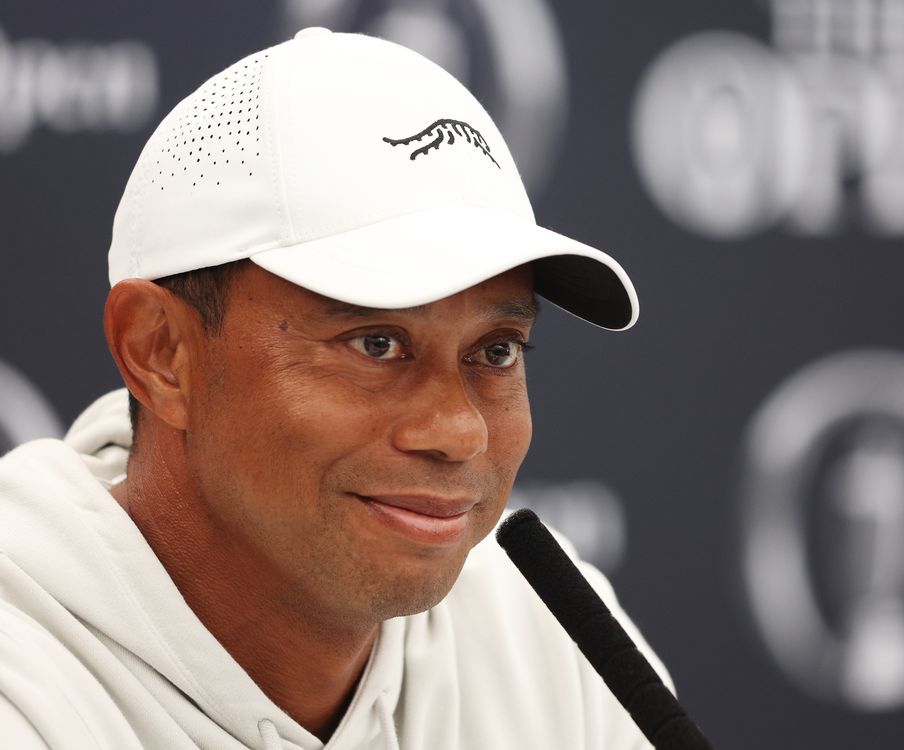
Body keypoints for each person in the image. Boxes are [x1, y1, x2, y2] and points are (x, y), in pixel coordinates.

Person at [0, 29, 671, 749]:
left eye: (495, 351)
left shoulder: (543, 639)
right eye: (376, 344)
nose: (458, 431)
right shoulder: (24, 684)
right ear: (161, 353)